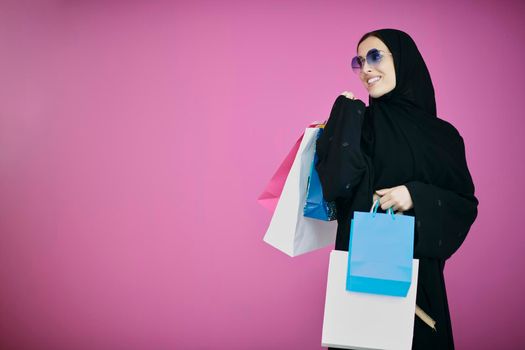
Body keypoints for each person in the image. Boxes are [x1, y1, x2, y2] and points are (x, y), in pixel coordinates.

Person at [315, 28, 479, 350]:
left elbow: (463, 204)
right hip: (361, 269)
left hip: (420, 277)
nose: (365, 70)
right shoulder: (358, 122)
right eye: (359, 61)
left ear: (404, 60)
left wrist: (414, 195)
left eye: (375, 56)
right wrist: (344, 117)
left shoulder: (443, 137)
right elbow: (336, 186)